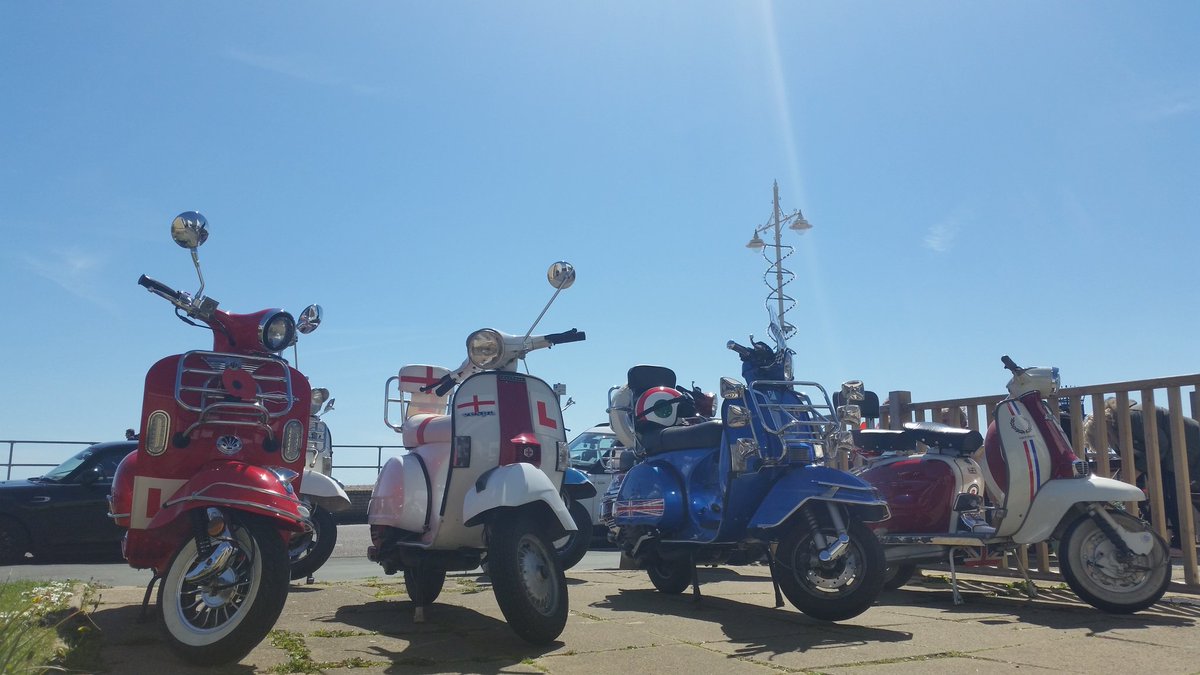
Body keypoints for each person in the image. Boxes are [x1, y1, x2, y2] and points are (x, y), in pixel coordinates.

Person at [1084, 398, 1200, 547]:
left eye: (1104, 439)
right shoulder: (1119, 435)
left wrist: (1136, 471)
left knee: (1171, 495)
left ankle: (1181, 543)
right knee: (1164, 496)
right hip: (1173, 459)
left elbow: (1159, 446)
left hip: (1191, 449)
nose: (1107, 444)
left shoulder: (1132, 418)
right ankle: (1169, 539)